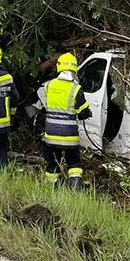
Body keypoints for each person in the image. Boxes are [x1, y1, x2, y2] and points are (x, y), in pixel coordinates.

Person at [39, 52, 92, 190]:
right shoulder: (76, 89)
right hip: (69, 136)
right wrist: (86, 113)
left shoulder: (49, 85)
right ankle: (75, 189)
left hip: (51, 134)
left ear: (59, 67)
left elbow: (44, 103)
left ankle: (51, 188)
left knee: (52, 163)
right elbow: (83, 113)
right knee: (74, 163)